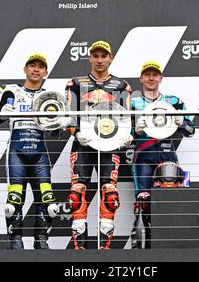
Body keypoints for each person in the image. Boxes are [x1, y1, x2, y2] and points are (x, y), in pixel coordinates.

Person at [0, 53, 70, 250]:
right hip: (16, 153)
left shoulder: (50, 97)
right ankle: (16, 242)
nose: (36, 69)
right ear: (25, 69)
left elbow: (56, 133)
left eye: (40, 67)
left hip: (40, 154)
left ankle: (41, 242)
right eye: (32, 65)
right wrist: (0, 115)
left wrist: (61, 123)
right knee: (13, 202)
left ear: (46, 72)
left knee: (48, 202)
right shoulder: (10, 91)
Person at [65, 40, 133, 249]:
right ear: (90, 58)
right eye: (96, 56)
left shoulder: (121, 86)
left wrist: (126, 135)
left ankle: (105, 249)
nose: (100, 60)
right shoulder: (76, 83)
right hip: (83, 145)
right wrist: (76, 133)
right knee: (76, 194)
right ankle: (80, 248)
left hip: (110, 144)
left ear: (110, 58)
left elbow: (127, 118)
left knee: (110, 194)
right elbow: (68, 116)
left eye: (104, 56)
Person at [131, 61, 195, 249]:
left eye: (155, 74)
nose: (151, 78)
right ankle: (143, 248)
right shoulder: (132, 102)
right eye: (147, 74)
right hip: (142, 156)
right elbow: (121, 135)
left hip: (169, 157)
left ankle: (173, 247)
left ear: (161, 78)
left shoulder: (174, 101)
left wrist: (180, 121)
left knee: (174, 202)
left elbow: (191, 131)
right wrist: (136, 130)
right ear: (141, 78)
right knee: (142, 203)